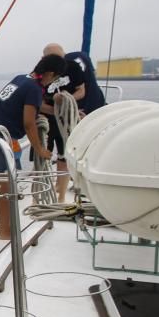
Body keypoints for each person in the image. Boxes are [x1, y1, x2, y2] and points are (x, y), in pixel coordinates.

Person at [0, 53, 66, 240]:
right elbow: (28, 122)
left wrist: (56, 109)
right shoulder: (34, 88)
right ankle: (5, 231)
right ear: (49, 73)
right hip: (3, 141)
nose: (53, 83)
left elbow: (30, 105)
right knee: (9, 187)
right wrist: (40, 149)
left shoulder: (21, 79)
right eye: (55, 78)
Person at [38, 43, 107, 201]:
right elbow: (37, 100)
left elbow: (81, 91)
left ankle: (61, 197)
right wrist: (55, 107)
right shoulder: (40, 73)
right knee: (42, 155)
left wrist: (65, 101)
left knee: (64, 156)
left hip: (67, 119)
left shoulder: (73, 67)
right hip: (47, 120)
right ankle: (40, 194)